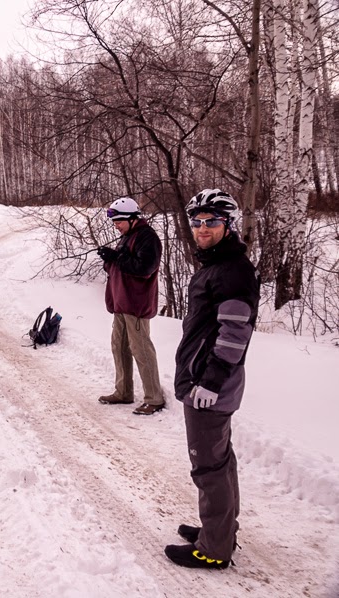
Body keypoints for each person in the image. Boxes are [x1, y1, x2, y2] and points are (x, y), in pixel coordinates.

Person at [165, 189, 259, 569]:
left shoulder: (231, 271)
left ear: (227, 224)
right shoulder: (217, 265)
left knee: (208, 466)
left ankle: (214, 549)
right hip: (205, 380)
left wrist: (210, 382)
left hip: (211, 386)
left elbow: (234, 336)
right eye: (198, 222)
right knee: (220, 460)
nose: (203, 228)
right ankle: (219, 531)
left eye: (212, 222)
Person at [96, 197, 166, 416]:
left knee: (141, 349)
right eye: (114, 222)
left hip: (136, 304)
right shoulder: (128, 236)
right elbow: (119, 266)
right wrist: (109, 259)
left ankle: (154, 398)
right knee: (119, 346)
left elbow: (145, 268)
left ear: (132, 218)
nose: (116, 225)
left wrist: (117, 257)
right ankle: (124, 391)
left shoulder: (147, 238)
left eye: (118, 221)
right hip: (121, 302)